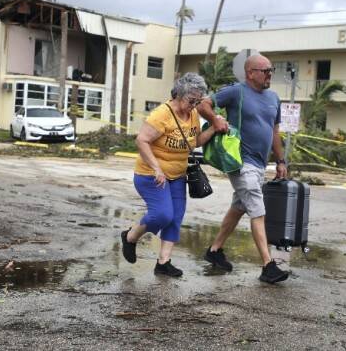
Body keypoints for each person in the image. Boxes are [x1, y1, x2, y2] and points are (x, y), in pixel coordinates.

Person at [196, 54, 290, 284]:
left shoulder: (273, 98)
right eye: (265, 70)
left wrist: (280, 161)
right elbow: (203, 104)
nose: (270, 74)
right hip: (239, 160)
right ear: (250, 73)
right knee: (257, 208)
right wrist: (216, 118)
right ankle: (268, 265)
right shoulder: (236, 91)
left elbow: (274, 132)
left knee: (239, 206)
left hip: (259, 164)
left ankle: (215, 250)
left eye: (271, 70)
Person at [120, 72, 219, 277]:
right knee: (162, 214)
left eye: (198, 101)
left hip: (178, 175)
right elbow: (142, 140)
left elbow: (194, 142)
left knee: (175, 218)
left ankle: (163, 263)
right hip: (151, 174)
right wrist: (156, 168)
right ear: (178, 95)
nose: (194, 105)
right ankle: (130, 237)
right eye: (192, 100)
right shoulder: (161, 115)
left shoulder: (192, 114)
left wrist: (214, 129)